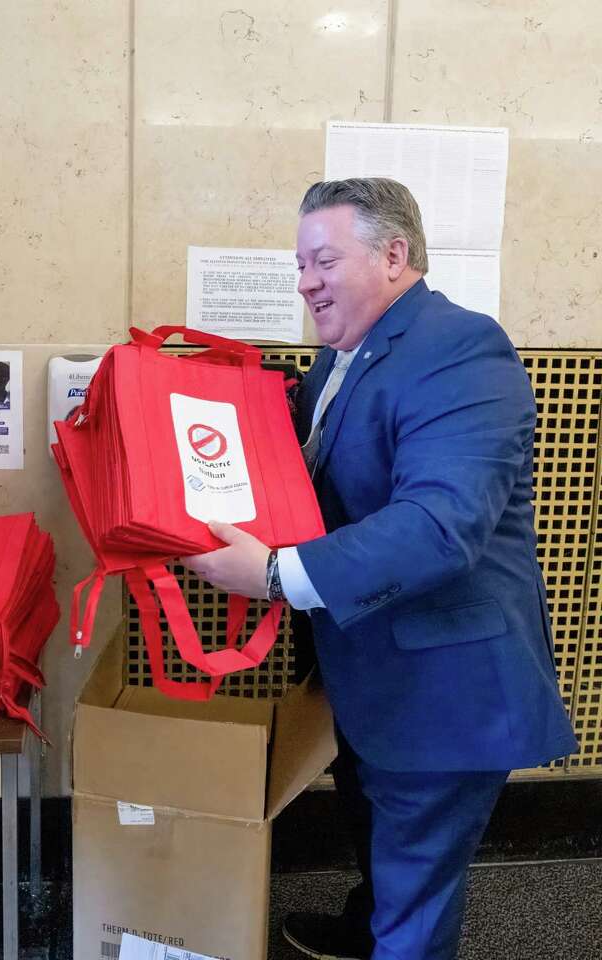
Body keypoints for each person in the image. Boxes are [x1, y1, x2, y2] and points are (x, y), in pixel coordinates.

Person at [185, 178, 576, 960]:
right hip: (372, 669)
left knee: (416, 890)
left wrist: (271, 573)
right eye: (299, 265)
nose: (304, 282)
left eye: (322, 260)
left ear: (394, 254)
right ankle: (369, 929)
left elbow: (441, 525)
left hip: (446, 688)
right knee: (380, 839)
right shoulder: (344, 359)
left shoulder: (460, 349)